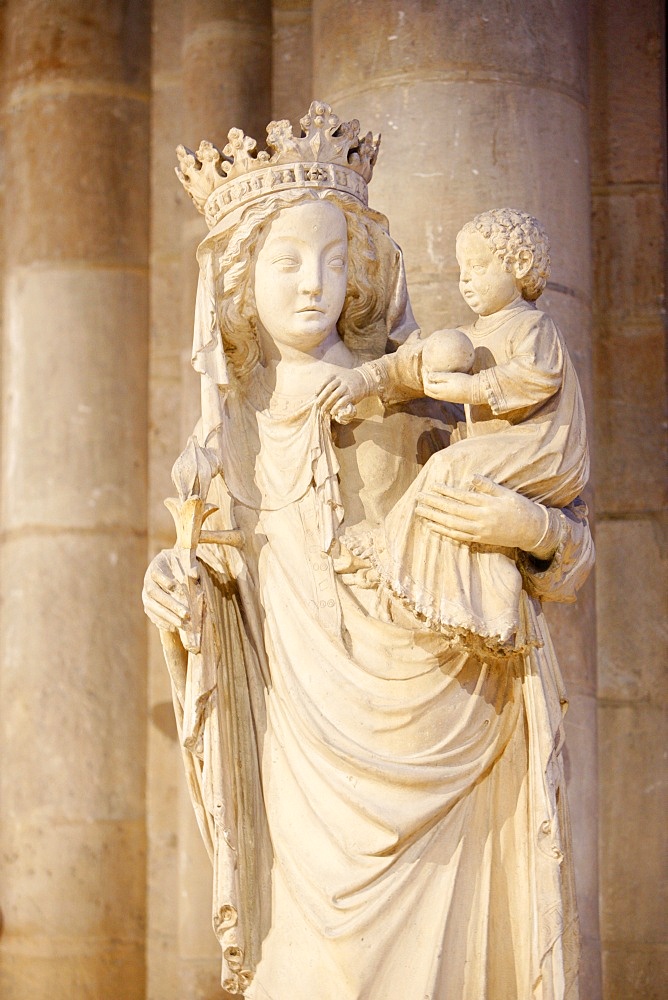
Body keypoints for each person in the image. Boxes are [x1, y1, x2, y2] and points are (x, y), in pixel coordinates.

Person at [143, 102, 593, 1000]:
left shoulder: (420, 389)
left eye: (333, 258)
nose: (312, 283)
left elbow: (568, 544)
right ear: (239, 281)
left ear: (360, 272)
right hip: (305, 755)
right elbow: (218, 592)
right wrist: (179, 591)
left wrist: (534, 535)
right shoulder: (219, 446)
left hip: (448, 721)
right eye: (285, 261)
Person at [317, 209, 590, 656]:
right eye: (463, 270)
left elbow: (537, 376)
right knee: (467, 508)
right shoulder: (465, 338)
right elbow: (411, 365)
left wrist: (474, 387)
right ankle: (481, 613)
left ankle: (391, 555)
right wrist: (363, 381)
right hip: (402, 640)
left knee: (452, 466)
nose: (465, 281)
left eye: (478, 268)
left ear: (519, 266)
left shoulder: (532, 327)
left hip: (542, 448)